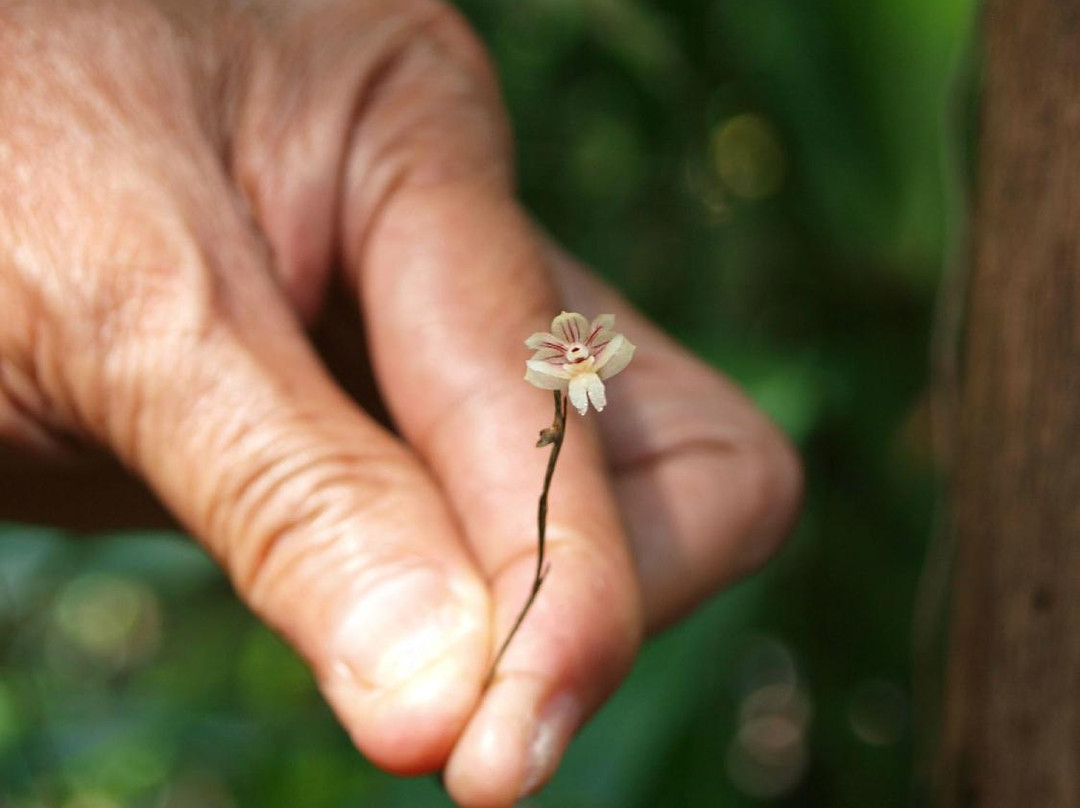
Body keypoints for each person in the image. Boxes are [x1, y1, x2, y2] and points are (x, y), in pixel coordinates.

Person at [0, 1, 802, 806]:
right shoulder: (560, 373)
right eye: (574, 353)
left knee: (549, 558)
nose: (579, 355)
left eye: (580, 356)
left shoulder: (573, 377)